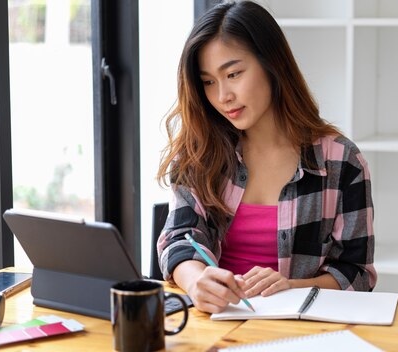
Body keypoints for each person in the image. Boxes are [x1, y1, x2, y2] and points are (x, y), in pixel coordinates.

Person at [156, 0, 376, 314]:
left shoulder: (341, 161)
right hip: (216, 322)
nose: (222, 96)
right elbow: (178, 238)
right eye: (208, 82)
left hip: (301, 331)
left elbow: (358, 274)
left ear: (272, 64)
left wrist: (290, 288)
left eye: (233, 74)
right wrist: (196, 282)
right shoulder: (199, 153)